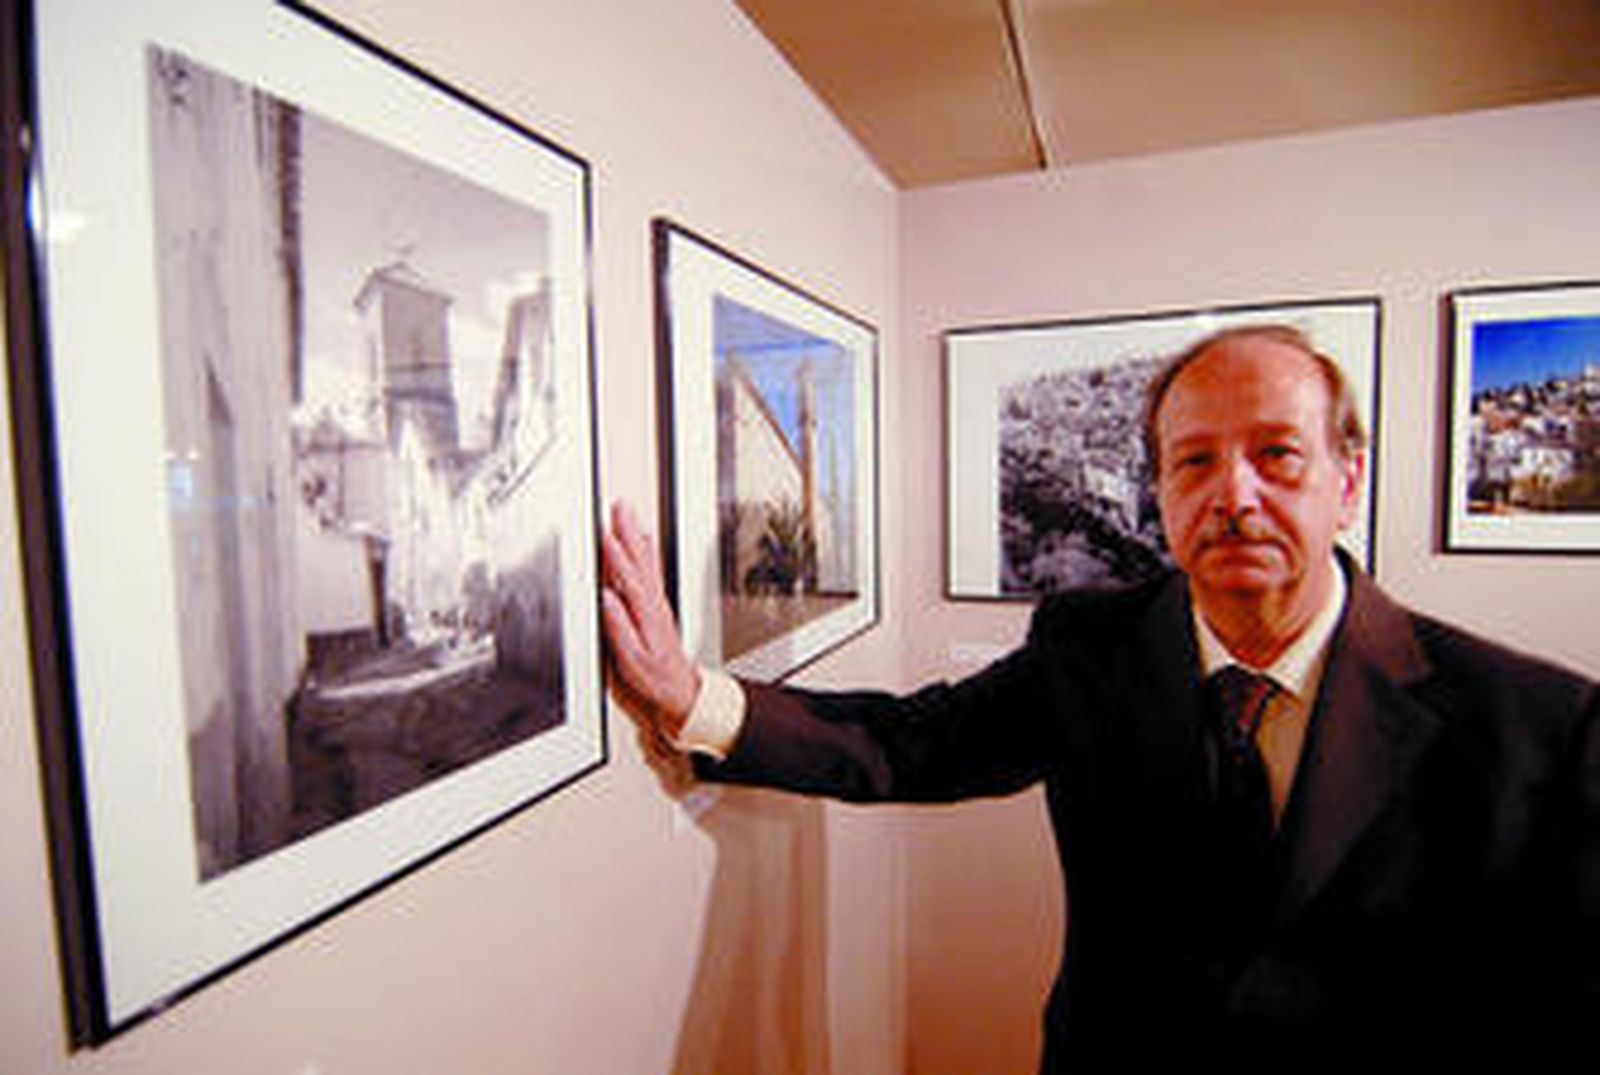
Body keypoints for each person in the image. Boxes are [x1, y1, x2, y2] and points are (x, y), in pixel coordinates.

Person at [601, 324, 1599, 1070]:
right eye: (1194, 460)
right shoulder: (1092, 647)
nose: (1234, 495)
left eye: (1276, 454)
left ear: (1348, 480)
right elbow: (912, 743)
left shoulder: (1537, 728)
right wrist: (691, 696)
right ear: (1159, 493)